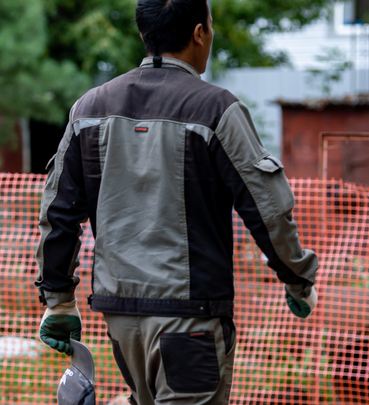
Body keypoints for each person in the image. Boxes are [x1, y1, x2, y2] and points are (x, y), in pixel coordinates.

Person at [34, 0, 319, 404]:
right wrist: (297, 276)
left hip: (120, 319)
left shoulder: (89, 108)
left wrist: (58, 301)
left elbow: (57, 212)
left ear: (142, 34)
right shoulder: (216, 108)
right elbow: (266, 206)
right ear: (199, 33)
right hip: (190, 320)